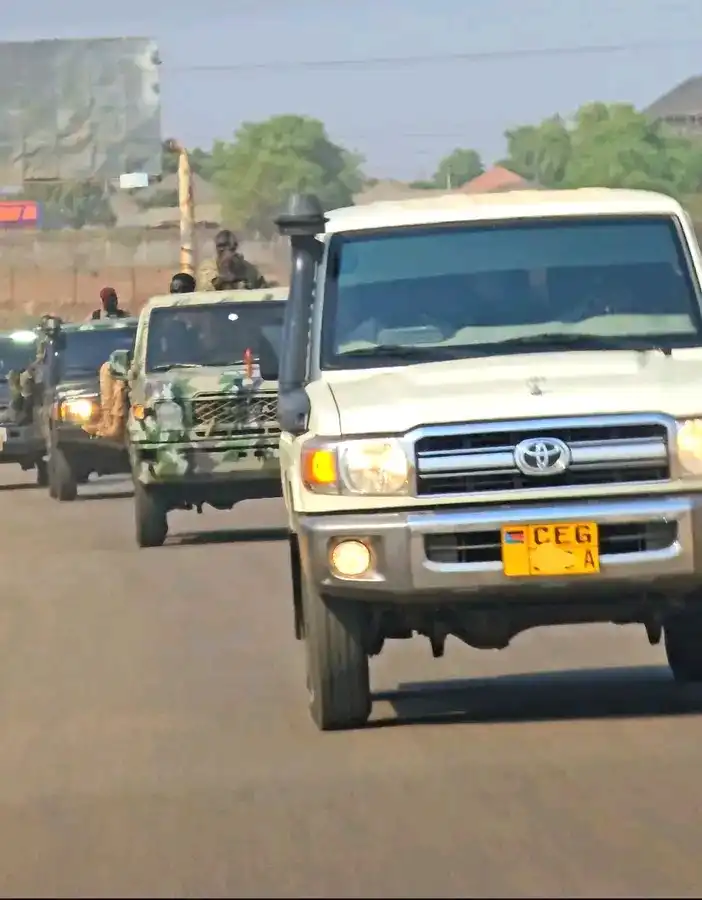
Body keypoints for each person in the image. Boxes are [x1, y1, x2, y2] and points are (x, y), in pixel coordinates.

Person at [196, 229, 268, 291]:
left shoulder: (248, 269)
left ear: (235, 247)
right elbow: (205, 291)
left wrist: (239, 270)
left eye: (229, 246)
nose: (225, 249)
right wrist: (225, 270)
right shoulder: (206, 267)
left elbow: (263, 291)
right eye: (221, 246)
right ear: (216, 247)